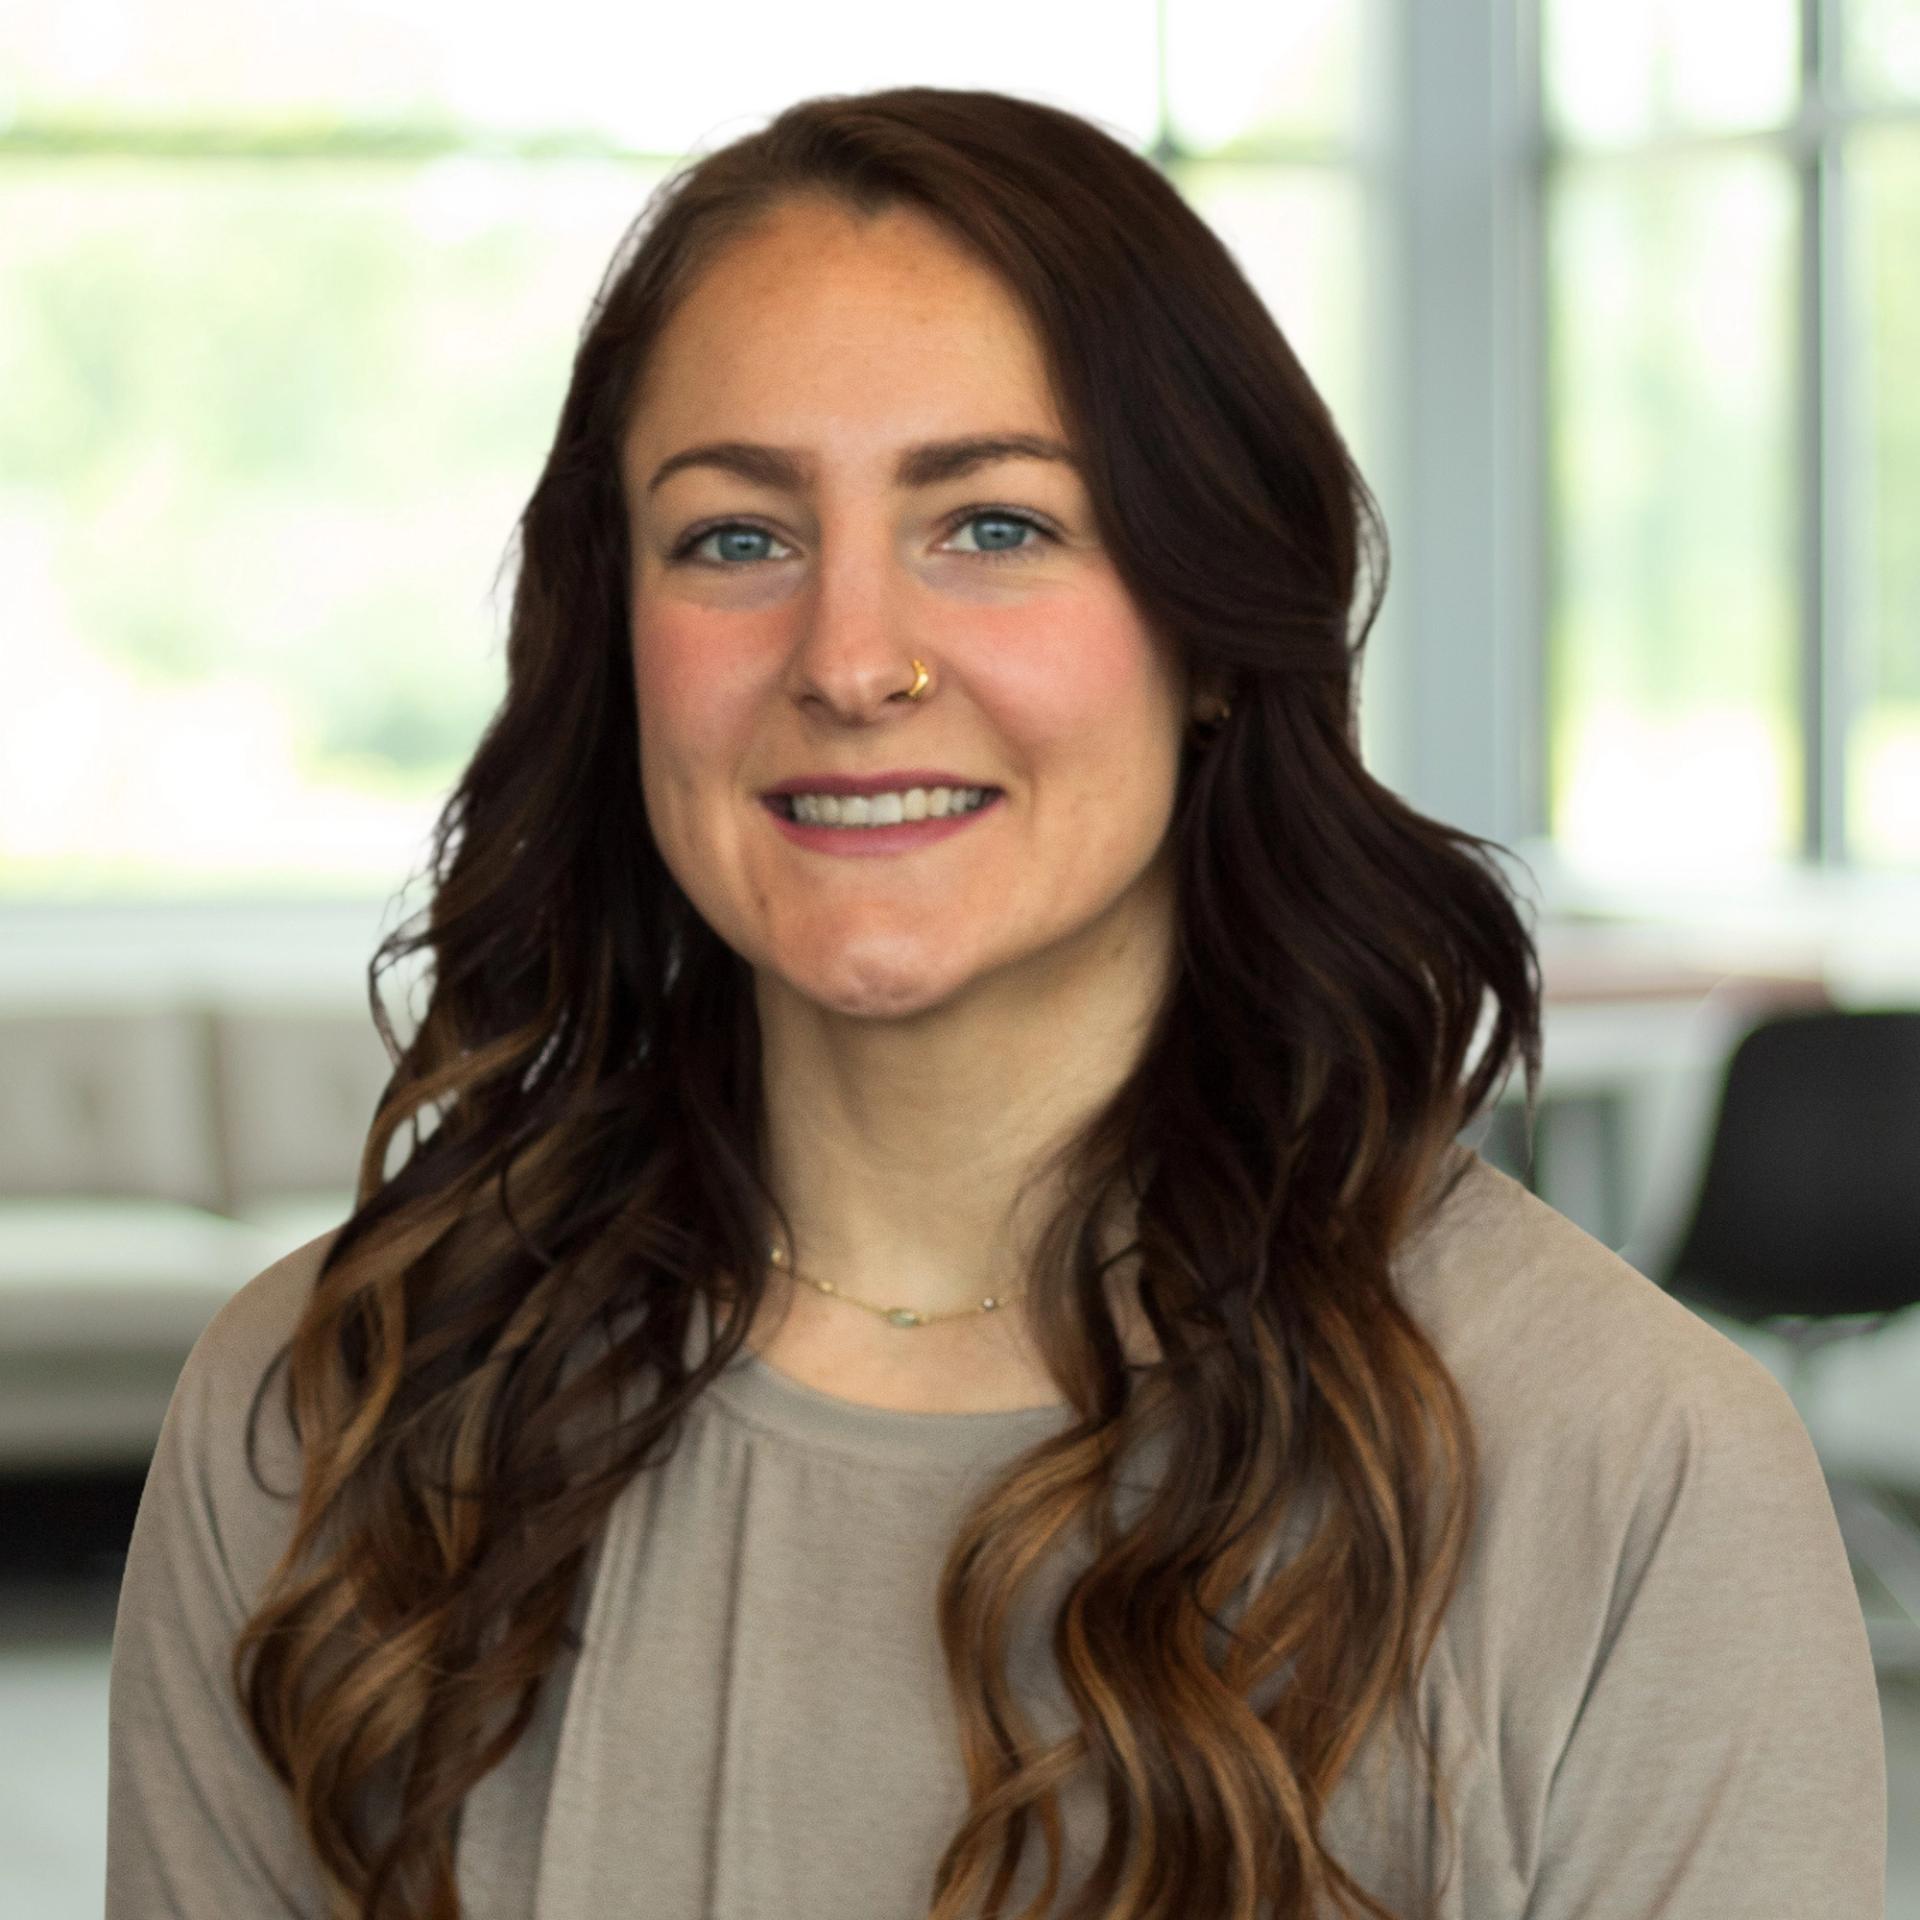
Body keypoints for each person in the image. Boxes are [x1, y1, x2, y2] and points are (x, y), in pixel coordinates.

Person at [106, 86, 1887, 1920]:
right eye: (735, 538)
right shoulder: (324, 1415)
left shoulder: (1620, 1461)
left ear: (1213, 631)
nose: (850, 660)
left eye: (994, 524)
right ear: (613, 637)